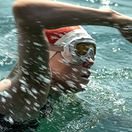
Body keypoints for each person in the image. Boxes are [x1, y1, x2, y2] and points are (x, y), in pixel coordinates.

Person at [0, 0, 132, 131]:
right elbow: (27, 11)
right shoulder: (30, 89)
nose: (90, 61)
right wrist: (113, 19)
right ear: (46, 54)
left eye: (92, 51)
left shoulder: (56, 96)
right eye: (80, 50)